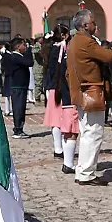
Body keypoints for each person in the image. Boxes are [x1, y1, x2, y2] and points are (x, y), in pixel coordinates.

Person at [66, 8, 112, 186]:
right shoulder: (86, 42)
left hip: (81, 92)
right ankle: (87, 173)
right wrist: (111, 48)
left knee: (87, 132)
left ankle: (82, 170)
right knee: (93, 133)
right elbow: (108, 56)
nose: (96, 25)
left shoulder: (75, 41)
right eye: (93, 22)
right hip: (91, 91)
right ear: (86, 25)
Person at [42, 25, 76, 163]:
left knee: (55, 120)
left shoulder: (50, 48)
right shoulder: (60, 49)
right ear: (64, 35)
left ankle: (58, 148)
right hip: (59, 86)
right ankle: (59, 148)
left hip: (52, 86)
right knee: (59, 120)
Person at [2, 37, 34, 138]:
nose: (25, 47)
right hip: (18, 86)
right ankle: (17, 129)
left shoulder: (19, 56)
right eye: (24, 45)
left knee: (21, 107)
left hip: (21, 85)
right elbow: (29, 62)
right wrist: (29, 50)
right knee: (18, 108)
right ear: (18, 46)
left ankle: (20, 128)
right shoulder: (16, 57)